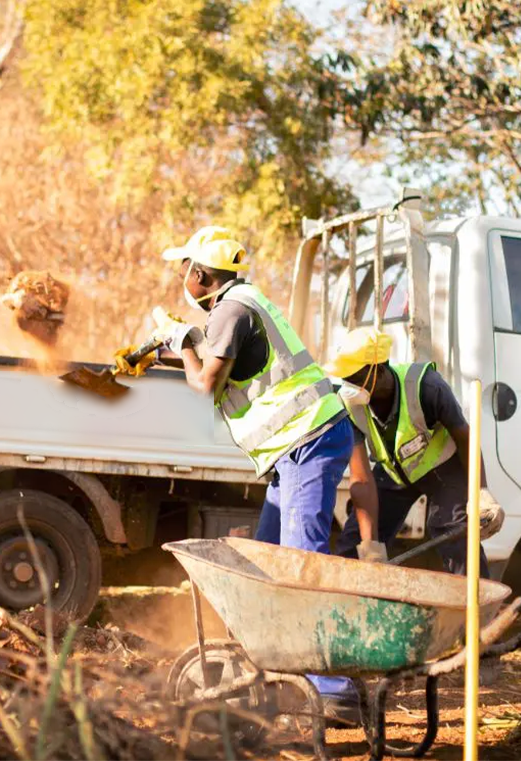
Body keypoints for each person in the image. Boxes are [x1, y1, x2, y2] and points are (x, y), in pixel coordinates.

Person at [146, 226, 380, 724]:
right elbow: (217, 359)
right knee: (263, 559)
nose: (180, 276)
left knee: (299, 566)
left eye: (184, 268)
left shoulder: (231, 310)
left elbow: (205, 383)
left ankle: (334, 690)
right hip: (296, 449)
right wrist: (176, 341)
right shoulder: (237, 304)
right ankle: (273, 664)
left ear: (201, 274)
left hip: (308, 441)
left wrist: (180, 341)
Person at [324, 328, 505, 571]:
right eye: (344, 380)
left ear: (377, 369)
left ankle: (477, 603)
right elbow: (361, 478)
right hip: (393, 473)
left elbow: (465, 438)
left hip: (443, 468)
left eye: (354, 378)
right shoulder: (349, 404)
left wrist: (480, 492)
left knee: (451, 530)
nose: (347, 386)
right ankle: (349, 603)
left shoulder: (426, 386)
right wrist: (370, 546)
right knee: (355, 542)